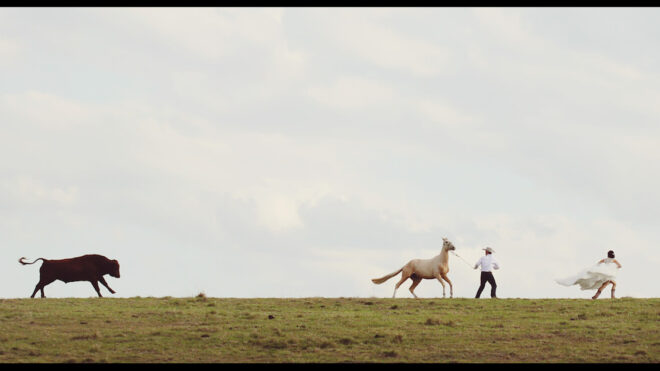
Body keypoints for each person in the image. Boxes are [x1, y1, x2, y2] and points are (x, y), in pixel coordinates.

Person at [556, 250, 622, 299]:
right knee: (608, 285)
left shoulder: (604, 260)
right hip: (608, 276)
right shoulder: (614, 260)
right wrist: (613, 267)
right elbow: (620, 266)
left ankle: (598, 296)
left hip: (605, 275)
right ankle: (608, 296)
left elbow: (598, 264)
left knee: (610, 284)